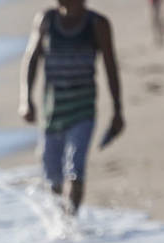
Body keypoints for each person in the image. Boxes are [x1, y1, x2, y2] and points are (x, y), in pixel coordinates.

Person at [19, 0, 124, 215]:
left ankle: (70, 222)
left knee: (75, 169)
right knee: (52, 176)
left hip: (83, 109)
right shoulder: (46, 20)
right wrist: (26, 99)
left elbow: (110, 66)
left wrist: (117, 110)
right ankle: (61, 220)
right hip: (52, 111)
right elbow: (31, 59)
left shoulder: (97, 24)